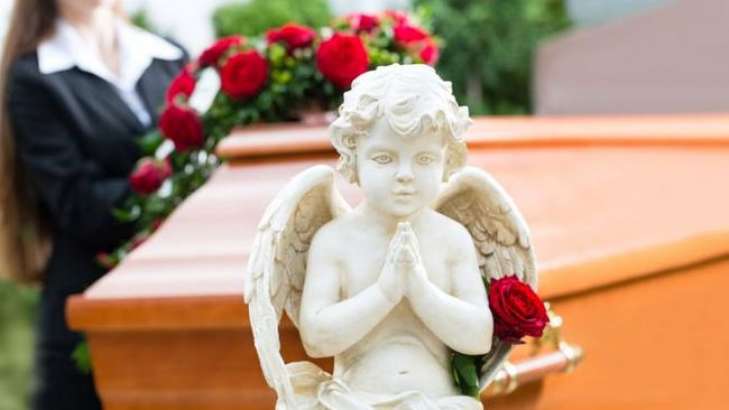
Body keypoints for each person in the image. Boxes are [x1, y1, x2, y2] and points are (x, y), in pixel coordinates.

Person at [0, 1, 187, 409]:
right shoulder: (34, 78)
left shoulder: (169, 56)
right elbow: (83, 208)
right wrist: (180, 181)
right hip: (90, 315)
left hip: (185, 301)